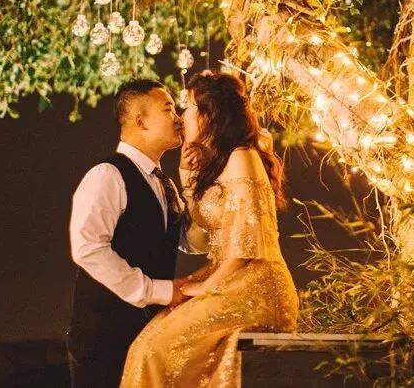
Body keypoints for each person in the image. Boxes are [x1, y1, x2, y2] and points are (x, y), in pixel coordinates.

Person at [120, 71, 299, 387]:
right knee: (147, 344)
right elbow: (198, 242)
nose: (181, 117)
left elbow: (246, 245)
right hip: (227, 276)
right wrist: (188, 178)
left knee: (156, 350)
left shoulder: (243, 157)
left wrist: (206, 287)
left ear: (210, 114)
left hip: (255, 284)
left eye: (188, 107)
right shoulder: (219, 163)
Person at [67, 79, 206, 388]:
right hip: (105, 339)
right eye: (168, 109)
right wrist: (158, 291)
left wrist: (192, 185)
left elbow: (192, 242)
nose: (178, 118)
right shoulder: (107, 174)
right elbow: (88, 248)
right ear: (140, 121)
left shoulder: (165, 183)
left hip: (149, 335)